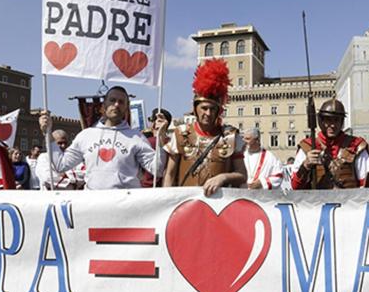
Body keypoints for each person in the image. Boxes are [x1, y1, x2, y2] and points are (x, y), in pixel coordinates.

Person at [39, 86, 167, 190]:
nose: (116, 104)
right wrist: (48, 133)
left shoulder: (137, 137)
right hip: (95, 205)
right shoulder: (86, 135)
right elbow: (61, 165)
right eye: (112, 100)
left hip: (126, 205)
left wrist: (160, 140)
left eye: (121, 102)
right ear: (104, 105)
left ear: (126, 108)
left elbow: (157, 170)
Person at [163, 58, 247, 196]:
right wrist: (167, 201)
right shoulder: (180, 134)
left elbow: (242, 175)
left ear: (218, 111)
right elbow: (170, 174)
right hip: (187, 205)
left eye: (212, 109)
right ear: (195, 108)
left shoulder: (230, 136)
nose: (208, 113)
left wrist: (223, 177)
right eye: (204, 108)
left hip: (219, 207)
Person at [291, 99, 369, 189]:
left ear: (341, 122)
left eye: (336, 120)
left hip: (349, 201)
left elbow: (368, 185)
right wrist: (305, 166)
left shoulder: (356, 146)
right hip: (318, 201)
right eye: (328, 120)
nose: (332, 125)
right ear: (321, 121)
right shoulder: (307, 147)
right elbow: (295, 186)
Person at [141, 108, 172, 188]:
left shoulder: (147, 142)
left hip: (146, 188)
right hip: (168, 188)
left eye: (151, 120)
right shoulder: (173, 143)